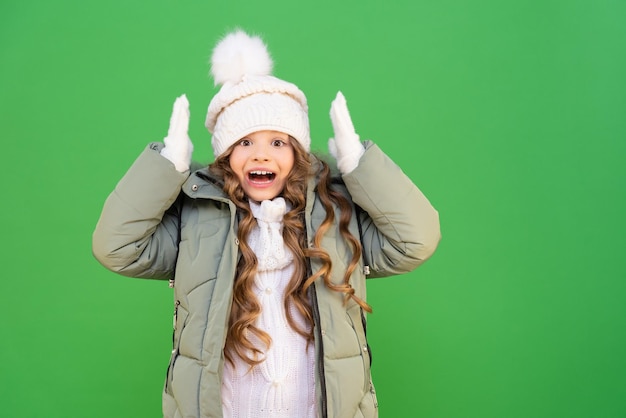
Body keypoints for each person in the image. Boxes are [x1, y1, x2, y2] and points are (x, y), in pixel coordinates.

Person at [93, 29, 441, 418]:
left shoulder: (335, 216)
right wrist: (168, 164)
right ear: (226, 154)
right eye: (244, 142)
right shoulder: (196, 220)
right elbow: (117, 247)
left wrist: (357, 162)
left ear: (297, 153)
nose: (261, 155)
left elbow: (416, 239)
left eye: (278, 142)